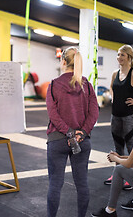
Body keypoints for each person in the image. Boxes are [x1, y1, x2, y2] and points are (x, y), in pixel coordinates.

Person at [46, 47, 99, 217]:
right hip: (82, 141)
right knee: (82, 184)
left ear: (63, 62)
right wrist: (81, 133)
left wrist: (68, 132)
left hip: (57, 140)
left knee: (55, 183)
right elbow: (94, 112)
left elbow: (52, 113)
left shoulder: (54, 84)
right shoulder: (87, 86)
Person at [104, 45, 133, 190]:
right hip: (115, 115)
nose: (119, 57)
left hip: (129, 116)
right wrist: (113, 97)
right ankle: (118, 175)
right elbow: (111, 87)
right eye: (118, 55)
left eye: (122, 55)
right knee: (118, 147)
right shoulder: (114, 73)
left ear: (129, 57)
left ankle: (132, 178)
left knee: (132, 148)